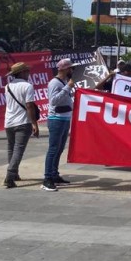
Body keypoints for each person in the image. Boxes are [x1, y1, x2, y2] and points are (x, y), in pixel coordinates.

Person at [3, 62, 40, 188]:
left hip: (9, 122)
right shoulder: (27, 86)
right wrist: (34, 123)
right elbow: (29, 106)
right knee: (18, 150)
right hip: (23, 122)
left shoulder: (7, 86)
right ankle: (10, 175)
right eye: (27, 71)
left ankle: (14, 174)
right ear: (22, 72)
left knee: (11, 149)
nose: (29, 74)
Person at [42, 58, 76, 192]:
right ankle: (47, 178)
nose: (72, 70)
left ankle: (54, 174)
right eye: (70, 68)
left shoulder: (63, 82)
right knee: (53, 149)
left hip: (65, 118)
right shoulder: (54, 83)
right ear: (64, 69)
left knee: (59, 149)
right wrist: (68, 88)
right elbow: (54, 101)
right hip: (56, 119)